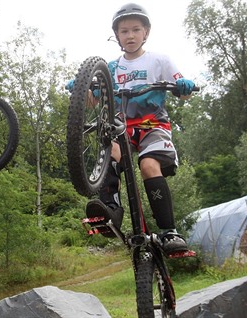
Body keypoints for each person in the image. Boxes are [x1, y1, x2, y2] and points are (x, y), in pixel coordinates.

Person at [71, 3, 196, 255]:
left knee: (148, 166)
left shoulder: (159, 59)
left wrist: (184, 86)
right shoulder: (111, 67)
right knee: (112, 152)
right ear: (116, 35)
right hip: (121, 127)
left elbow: (184, 95)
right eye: (124, 31)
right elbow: (92, 101)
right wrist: (81, 88)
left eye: (135, 30)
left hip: (153, 124)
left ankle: (169, 231)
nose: (130, 35)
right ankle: (110, 209)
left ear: (145, 33)